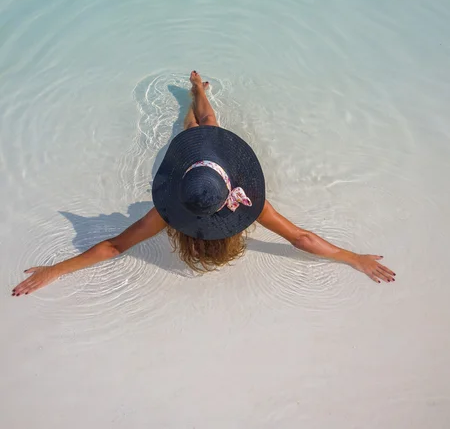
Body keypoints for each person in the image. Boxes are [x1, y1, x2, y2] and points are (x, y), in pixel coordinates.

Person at [12, 71, 395, 296]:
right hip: (203, 168)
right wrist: (352, 257)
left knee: (198, 127)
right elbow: (301, 239)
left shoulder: (166, 215)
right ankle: (197, 97)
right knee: (203, 126)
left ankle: (197, 93)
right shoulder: (250, 205)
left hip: (200, 171)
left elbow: (115, 246)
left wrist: (56, 269)